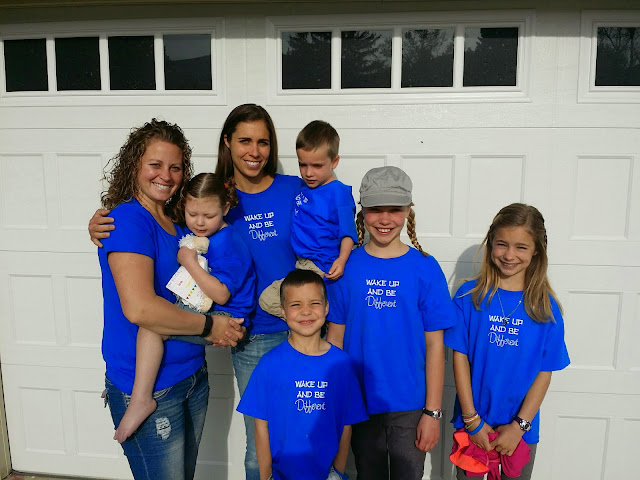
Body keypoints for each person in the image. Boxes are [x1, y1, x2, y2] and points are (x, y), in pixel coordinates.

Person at [97, 119, 245, 480]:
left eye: (175, 167)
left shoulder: (177, 222)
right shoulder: (128, 220)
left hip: (192, 376)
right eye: (155, 164)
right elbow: (140, 309)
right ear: (134, 165)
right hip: (151, 387)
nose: (166, 175)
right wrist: (211, 326)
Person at [326, 166, 456, 480]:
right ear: (362, 211)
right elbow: (335, 340)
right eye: (376, 209)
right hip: (358, 402)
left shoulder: (425, 268)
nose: (385, 219)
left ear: (408, 211)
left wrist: (432, 412)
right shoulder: (347, 267)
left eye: (395, 209)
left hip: (411, 406)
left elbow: (435, 346)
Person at [112, 172, 256, 443]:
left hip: (227, 316)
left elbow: (221, 293)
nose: (199, 222)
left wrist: (188, 261)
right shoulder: (206, 233)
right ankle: (133, 390)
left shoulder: (229, 243)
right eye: (192, 214)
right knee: (157, 319)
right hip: (212, 310)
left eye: (209, 216)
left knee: (153, 326)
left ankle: (141, 399)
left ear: (226, 208)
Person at [444, 203, 570, 480]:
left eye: (521, 247)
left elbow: (545, 372)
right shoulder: (469, 297)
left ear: (536, 250)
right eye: (502, 244)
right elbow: (459, 359)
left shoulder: (545, 308)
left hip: (520, 432)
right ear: (491, 243)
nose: (509, 255)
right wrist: (472, 420)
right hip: (473, 427)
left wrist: (519, 426)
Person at [238, 269, 368, 480]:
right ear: (283, 311)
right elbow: (261, 426)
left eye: (314, 303)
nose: (306, 312)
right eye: (295, 305)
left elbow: (347, 424)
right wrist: (266, 476)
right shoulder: (269, 364)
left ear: (326, 308)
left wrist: (338, 471)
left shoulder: (341, 364)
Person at [258, 120, 357, 318]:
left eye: (317, 166)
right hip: (301, 264)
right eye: (302, 164)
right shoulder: (304, 187)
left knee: (273, 299)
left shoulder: (338, 193)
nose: (309, 172)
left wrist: (342, 260)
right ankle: (316, 318)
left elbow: (348, 232)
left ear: (334, 162)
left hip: (322, 266)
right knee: (268, 299)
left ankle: (315, 318)